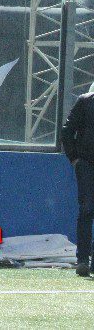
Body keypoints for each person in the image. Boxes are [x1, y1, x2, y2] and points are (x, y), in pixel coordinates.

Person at [62, 92, 94, 276]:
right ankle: (82, 260)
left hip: (84, 163)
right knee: (87, 209)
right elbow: (67, 130)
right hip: (86, 164)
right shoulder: (85, 102)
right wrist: (75, 159)